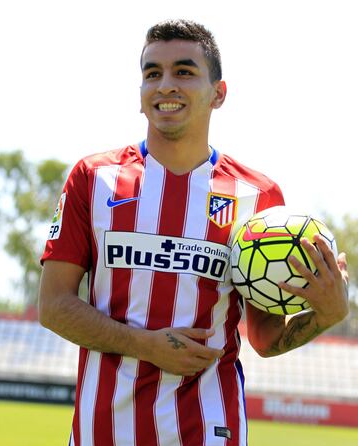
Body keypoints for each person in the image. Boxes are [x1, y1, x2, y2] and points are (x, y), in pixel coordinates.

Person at [38, 19, 349, 446]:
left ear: (217, 94)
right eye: (153, 74)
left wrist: (326, 314)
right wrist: (143, 344)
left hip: (209, 427)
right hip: (103, 431)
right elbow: (53, 305)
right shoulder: (93, 179)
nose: (165, 85)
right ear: (141, 93)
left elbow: (264, 337)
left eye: (184, 72)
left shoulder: (258, 197)